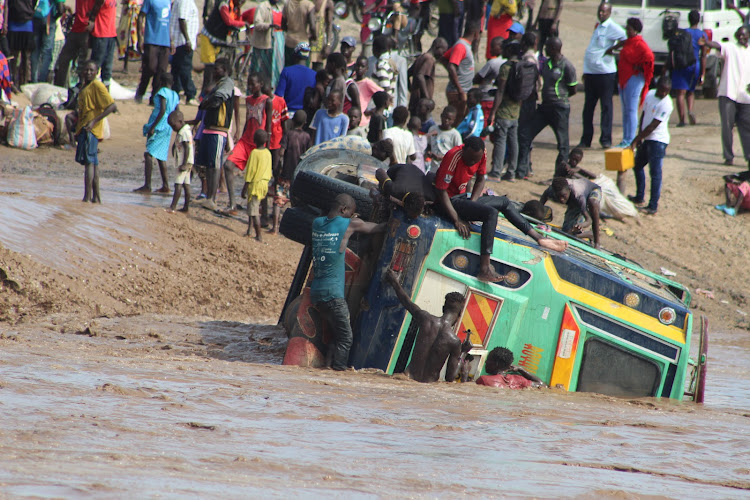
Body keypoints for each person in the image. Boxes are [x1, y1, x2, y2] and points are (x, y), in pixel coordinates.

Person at [310, 194, 386, 371]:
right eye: (350, 212)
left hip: (317, 294)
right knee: (346, 338)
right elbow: (375, 228)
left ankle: (327, 369)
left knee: (336, 335)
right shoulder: (349, 224)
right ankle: (339, 372)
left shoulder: (317, 223)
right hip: (333, 295)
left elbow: (332, 225)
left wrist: (350, 218)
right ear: (344, 210)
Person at [385, 270, 471, 383]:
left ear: (443, 308)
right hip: (428, 387)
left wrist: (394, 282)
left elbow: (407, 302)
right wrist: (462, 352)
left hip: (406, 379)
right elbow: (450, 378)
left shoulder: (426, 319)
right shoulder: (455, 342)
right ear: (460, 314)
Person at [517, 36, 577, 175]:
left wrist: (559, 98)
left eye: (547, 47)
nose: (544, 49)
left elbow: (573, 90)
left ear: (555, 48)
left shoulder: (567, 65)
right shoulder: (546, 63)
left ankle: (559, 175)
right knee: (525, 134)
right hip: (545, 107)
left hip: (560, 108)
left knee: (563, 145)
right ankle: (522, 170)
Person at [222, 72, 272, 213]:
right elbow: (248, 120)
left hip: (259, 144)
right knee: (227, 165)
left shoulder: (267, 101)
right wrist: (241, 135)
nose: (250, 86)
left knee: (258, 176)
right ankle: (232, 204)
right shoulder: (248, 99)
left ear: (260, 84)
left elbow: (268, 127)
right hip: (246, 141)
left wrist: (266, 149)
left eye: (253, 84)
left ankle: (261, 210)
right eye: (248, 83)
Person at [578, 2, 625, 150]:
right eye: (599, 11)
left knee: (606, 107)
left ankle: (605, 139)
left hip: (605, 73)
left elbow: (625, 37)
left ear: (610, 12)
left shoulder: (612, 27)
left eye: (604, 12)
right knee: (588, 108)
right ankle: (586, 139)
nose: (601, 14)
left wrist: (613, 48)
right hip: (591, 73)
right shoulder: (598, 26)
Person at [702, 27, 750, 168]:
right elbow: (718, 45)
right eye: (738, 36)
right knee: (727, 127)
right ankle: (728, 157)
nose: (740, 38)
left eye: (743, 35)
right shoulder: (731, 47)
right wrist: (707, 42)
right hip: (728, 92)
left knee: (746, 127)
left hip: (745, 96)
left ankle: (748, 156)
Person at [627, 77, 673, 216]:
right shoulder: (650, 94)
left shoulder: (667, 104)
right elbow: (644, 115)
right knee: (637, 165)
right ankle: (639, 196)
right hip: (647, 138)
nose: (663, 94)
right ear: (657, 87)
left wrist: (636, 139)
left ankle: (653, 206)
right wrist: (640, 135)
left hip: (658, 141)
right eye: (662, 90)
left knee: (655, 173)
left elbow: (653, 126)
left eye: (666, 92)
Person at [74, 60, 117, 203]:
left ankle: (87, 197)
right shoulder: (85, 86)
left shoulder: (97, 85)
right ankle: (96, 197)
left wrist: (93, 121)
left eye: (92, 70)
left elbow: (111, 106)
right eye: (86, 70)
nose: (88, 72)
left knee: (89, 163)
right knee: (93, 163)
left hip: (91, 129)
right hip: (84, 127)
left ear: (97, 72)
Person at [608, 17, 654, 148]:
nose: (627, 31)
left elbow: (649, 57)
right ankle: (625, 138)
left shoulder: (640, 44)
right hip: (624, 79)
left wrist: (640, 67)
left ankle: (630, 139)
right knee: (625, 110)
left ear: (635, 30)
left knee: (631, 110)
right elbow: (622, 45)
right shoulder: (629, 42)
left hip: (634, 79)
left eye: (629, 29)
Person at [195, 58, 235, 209]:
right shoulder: (218, 84)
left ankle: (212, 198)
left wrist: (207, 102)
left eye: (217, 69)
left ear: (225, 70)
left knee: (215, 165)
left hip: (219, 130)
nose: (214, 71)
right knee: (209, 165)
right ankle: (209, 197)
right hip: (209, 128)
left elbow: (217, 99)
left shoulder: (227, 83)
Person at [135, 73, 180, 194]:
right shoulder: (175, 95)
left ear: (161, 82)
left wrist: (153, 126)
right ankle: (165, 185)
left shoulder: (163, 92)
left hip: (160, 125)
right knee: (161, 156)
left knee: (149, 154)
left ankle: (147, 185)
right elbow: (177, 111)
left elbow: (163, 110)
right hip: (169, 126)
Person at [487, 38, 521, 180]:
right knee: (513, 141)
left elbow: (500, 91)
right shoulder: (523, 66)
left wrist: (493, 113)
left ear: (509, 51)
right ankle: (511, 172)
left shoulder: (505, 67)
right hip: (516, 112)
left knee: (501, 140)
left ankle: (496, 172)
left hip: (504, 112)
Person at [273, 111, 312, 232]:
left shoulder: (288, 134)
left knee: (278, 201)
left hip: (285, 174)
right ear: (305, 123)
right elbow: (308, 155)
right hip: (298, 175)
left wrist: (278, 168)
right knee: (296, 204)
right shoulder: (306, 137)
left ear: (293, 121)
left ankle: (274, 227)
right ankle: (294, 230)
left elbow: (281, 153)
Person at [666, 9, 705, 128]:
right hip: (695, 65)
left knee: (680, 93)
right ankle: (690, 110)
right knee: (691, 91)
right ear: (699, 20)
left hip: (681, 64)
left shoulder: (682, 33)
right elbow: (704, 55)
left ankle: (682, 119)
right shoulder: (702, 34)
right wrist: (703, 73)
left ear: (688, 19)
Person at [198, 0, 246, 93]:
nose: (241, 3)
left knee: (217, 65)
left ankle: (213, 90)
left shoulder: (235, 8)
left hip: (218, 39)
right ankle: (204, 92)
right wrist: (244, 24)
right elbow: (228, 21)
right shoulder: (223, 4)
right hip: (209, 36)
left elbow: (235, 20)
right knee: (210, 66)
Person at [541, 176, 601, 248]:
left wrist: (581, 225)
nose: (561, 199)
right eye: (558, 196)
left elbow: (589, 220)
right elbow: (542, 199)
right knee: (566, 234)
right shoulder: (552, 190)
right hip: (573, 200)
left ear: (569, 190)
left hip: (592, 191)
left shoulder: (578, 196)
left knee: (593, 203)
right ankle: (589, 234)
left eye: (563, 196)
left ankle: (596, 241)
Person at [239, 129, 273, 240]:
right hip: (264, 184)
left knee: (254, 211)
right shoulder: (268, 153)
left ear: (254, 140)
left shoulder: (254, 153)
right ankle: (249, 230)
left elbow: (250, 171)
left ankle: (258, 235)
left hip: (255, 184)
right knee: (252, 206)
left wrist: (244, 187)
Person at [135, 0, 171, 104]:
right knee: (150, 67)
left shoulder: (168, 1)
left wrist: (171, 39)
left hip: (165, 41)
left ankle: (154, 97)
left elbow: (169, 21)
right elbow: (141, 17)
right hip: (152, 39)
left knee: (162, 70)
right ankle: (141, 90)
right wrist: (140, 37)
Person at [444, 21, 480, 121]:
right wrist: (459, 88)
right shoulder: (461, 46)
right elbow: (451, 66)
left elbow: (444, 58)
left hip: (461, 91)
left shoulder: (463, 45)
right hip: (458, 92)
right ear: (476, 33)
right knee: (457, 121)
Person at [53, 0, 91, 88]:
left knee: (84, 64)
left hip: (87, 30)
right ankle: (60, 88)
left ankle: (82, 89)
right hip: (76, 28)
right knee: (63, 59)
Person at [170, 0, 200, 105]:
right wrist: (187, 40)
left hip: (181, 42)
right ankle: (190, 94)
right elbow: (182, 20)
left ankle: (176, 93)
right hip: (183, 42)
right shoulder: (185, 1)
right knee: (185, 69)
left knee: (177, 69)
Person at [408, 37, 448, 115]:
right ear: (437, 47)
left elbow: (407, 74)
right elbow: (420, 76)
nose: (443, 55)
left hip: (415, 101)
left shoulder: (421, 57)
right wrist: (426, 98)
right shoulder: (429, 59)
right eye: (443, 51)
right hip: (422, 105)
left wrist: (412, 90)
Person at [474, 36, 506, 129]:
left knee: (483, 127)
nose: (490, 49)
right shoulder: (507, 62)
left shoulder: (492, 63)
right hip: (500, 100)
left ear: (500, 47)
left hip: (487, 98)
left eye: (493, 47)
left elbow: (477, 79)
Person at [276, 42, 317, 115]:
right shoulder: (314, 74)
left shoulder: (287, 71)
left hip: (288, 113)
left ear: (295, 55)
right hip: (305, 115)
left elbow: (279, 96)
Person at [475, 346, 544, 388]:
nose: (486, 362)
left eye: (488, 360)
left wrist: (465, 373)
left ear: (496, 363)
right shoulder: (518, 380)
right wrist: (521, 369)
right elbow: (542, 385)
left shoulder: (484, 380)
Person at [166, 109, 194, 213]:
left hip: (184, 163)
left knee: (178, 184)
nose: (173, 129)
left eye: (174, 126)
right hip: (186, 162)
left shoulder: (184, 132)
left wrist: (184, 164)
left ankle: (172, 207)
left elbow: (187, 148)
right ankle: (186, 207)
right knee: (186, 185)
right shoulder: (182, 131)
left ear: (181, 122)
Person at [30, 0, 63, 83]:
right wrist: (54, 19)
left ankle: (34, 79)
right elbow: (60, 9)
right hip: (48, 19)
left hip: (36, 17)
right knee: (47, 52)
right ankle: (42, 80)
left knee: (35, 50)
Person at [7, 0, 36, 88]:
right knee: (23, 57)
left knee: (16, 57)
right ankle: (21, 83)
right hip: (22, 22)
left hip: (18, 23)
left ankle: (16, 82)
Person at [281, 0, 316, 67]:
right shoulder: (309, 5)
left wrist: (290, 30)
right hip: (303, 42)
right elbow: (313, 27)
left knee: (289, 67)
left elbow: (283, 25)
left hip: (289, 41)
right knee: (303, 69)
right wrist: (314, 36)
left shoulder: (287, 3)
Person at [427, 105, 462, 172]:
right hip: (433, 168)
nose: (446, 120)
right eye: (445, 117)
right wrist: (429, 152)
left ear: (453, 120)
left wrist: (442, 158)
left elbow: (458, 154)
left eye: (449, 119)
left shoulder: (455, 134)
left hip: (447, 170)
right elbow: (429, 145)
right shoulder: (433, 129)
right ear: (441, 116)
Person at [249, 0, 277, 77]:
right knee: (256, 70)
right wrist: (269, 25)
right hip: (261, 44)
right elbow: (257, 24)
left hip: (271, 44)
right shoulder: (262, 7)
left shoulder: (278, 8)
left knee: (267, 70)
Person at [353, 55, 382, 128]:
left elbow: (383, 95)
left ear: (367, 69)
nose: (359, 68)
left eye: (362, 66)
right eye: (358, 66)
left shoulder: (367, 83)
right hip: (352, 120)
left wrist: (372, 111)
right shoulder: (351, 82)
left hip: (362, 122)